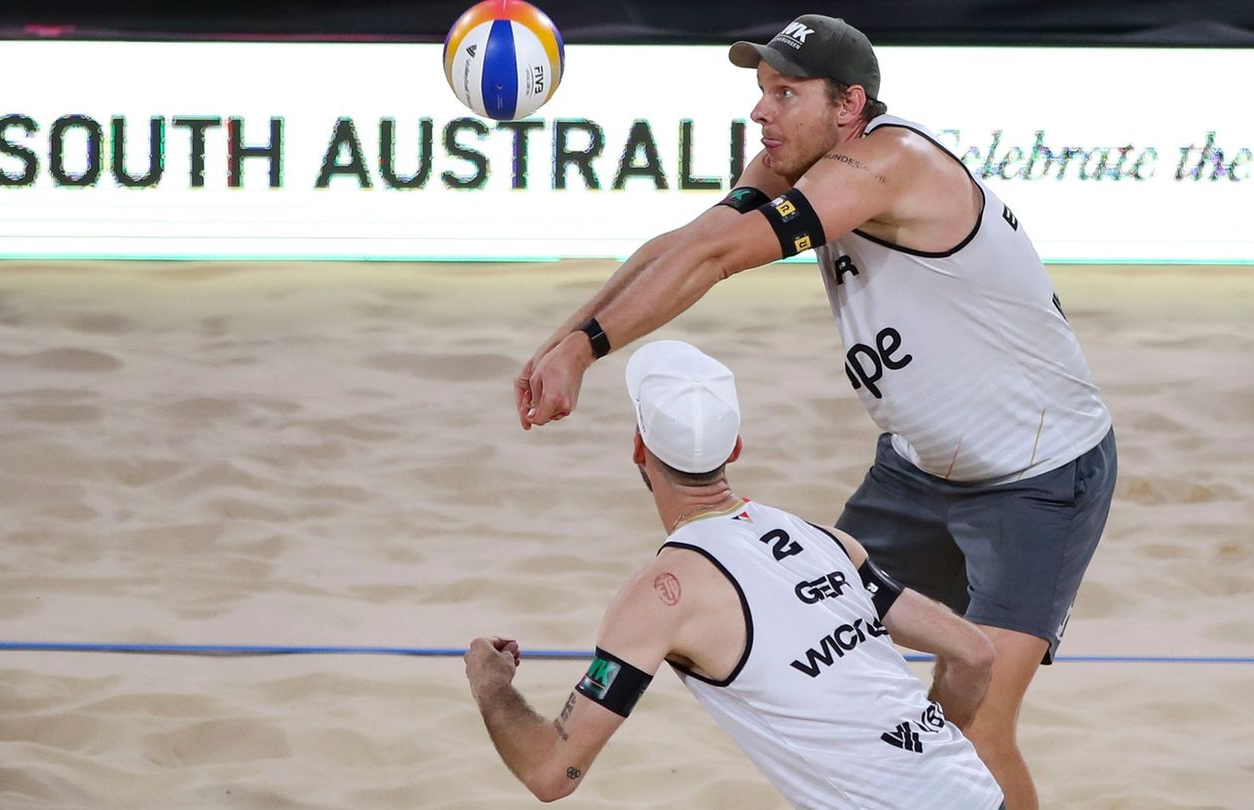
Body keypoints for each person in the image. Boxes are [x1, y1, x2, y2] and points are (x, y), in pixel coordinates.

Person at [512, 14, 1117, 810]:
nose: (762, 112)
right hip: (913, 472)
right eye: (761, 92)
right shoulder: (797, 160)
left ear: (848, 105)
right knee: (849, 685)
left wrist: (587, 349)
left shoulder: (887, 163)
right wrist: (562, 345)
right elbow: (687, 243)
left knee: (973, 724)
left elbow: (720, 260)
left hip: (1038, 481)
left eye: (785, 94)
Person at [468, 340, 1004, 808]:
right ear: (735, 448)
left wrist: (492, 687)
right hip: (976, 792)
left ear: (638, 447)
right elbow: (973, 653)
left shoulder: (661, 595)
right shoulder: (823, 539)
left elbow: (551, 773)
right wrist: (919, 752)